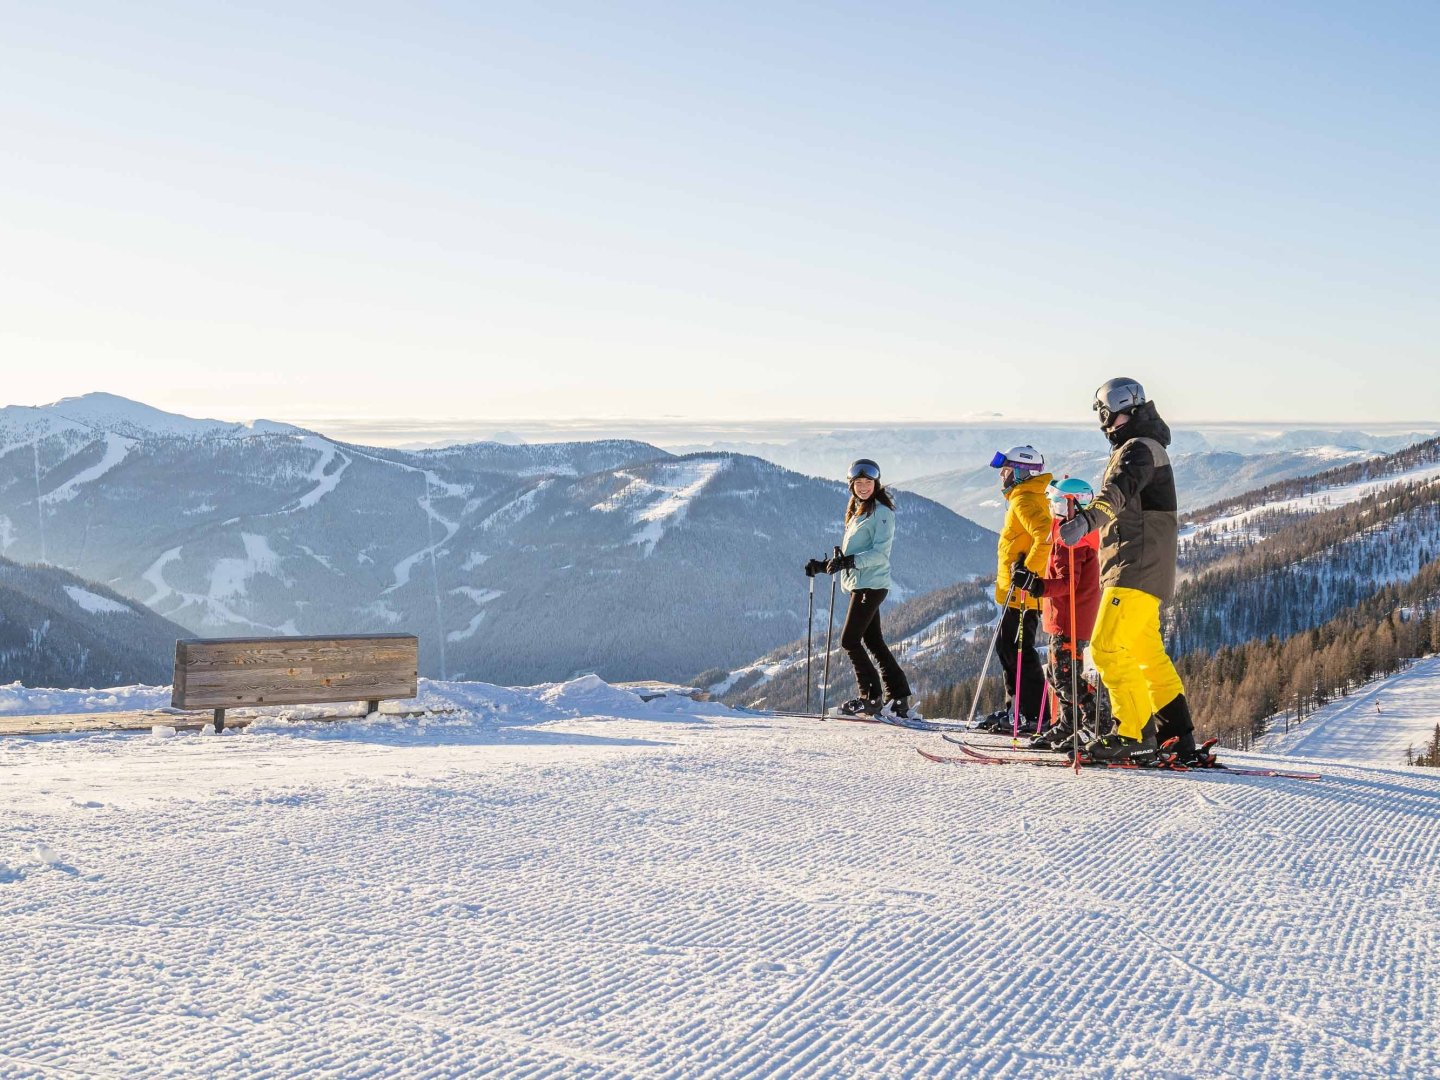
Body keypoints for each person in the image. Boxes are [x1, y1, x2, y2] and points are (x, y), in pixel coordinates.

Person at [1058, 378, 1201, 765]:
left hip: (1134, 566)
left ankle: (1135, 733)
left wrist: (1086, 522)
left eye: (1106, 415)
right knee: (1146, 654)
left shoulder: (1138, 450)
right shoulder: (1145, 447)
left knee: (1105, 648)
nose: (1105, 424)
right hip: (1145, 567)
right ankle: (1177, 736)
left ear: (1120, 411)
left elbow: (1117, 493)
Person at [804, 459, 914, 718]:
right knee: (873, 641)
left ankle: (871, 697)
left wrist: (849, 561)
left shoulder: (882, 512)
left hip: (871, 584)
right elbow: (853, 553)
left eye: (868, 482)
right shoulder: (859, 509)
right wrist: (823, 566)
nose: (863, 487)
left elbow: (880, 554)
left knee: (849, 640)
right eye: (859, 482)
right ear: (851, 485)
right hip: (861, 583)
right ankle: (898, 697)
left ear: (876, 483)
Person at [1011, 476, 1102, 751]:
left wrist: (1036, 585)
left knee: (1066, 677)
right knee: (1056, 674)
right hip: (1066, 617)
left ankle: (1095, 722)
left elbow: (1067, 583)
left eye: (1055, 503)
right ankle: (1068, 723)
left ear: (1069, 504)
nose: (1051, 508)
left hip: (1070, 619)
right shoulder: (1074, 533)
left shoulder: (1072, 540)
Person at [973, 446, 1053, 734]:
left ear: (1020, 472)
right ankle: (1017, 710)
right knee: (1009, 648)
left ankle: (1036, 715)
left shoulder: (1025, 500)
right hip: (1016, 591)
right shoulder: (1025, 497)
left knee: (1019, 650)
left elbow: (1046, 535)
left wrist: (1028, 572)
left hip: (1022, 593)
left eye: (1005, 471)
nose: (1002, 478)